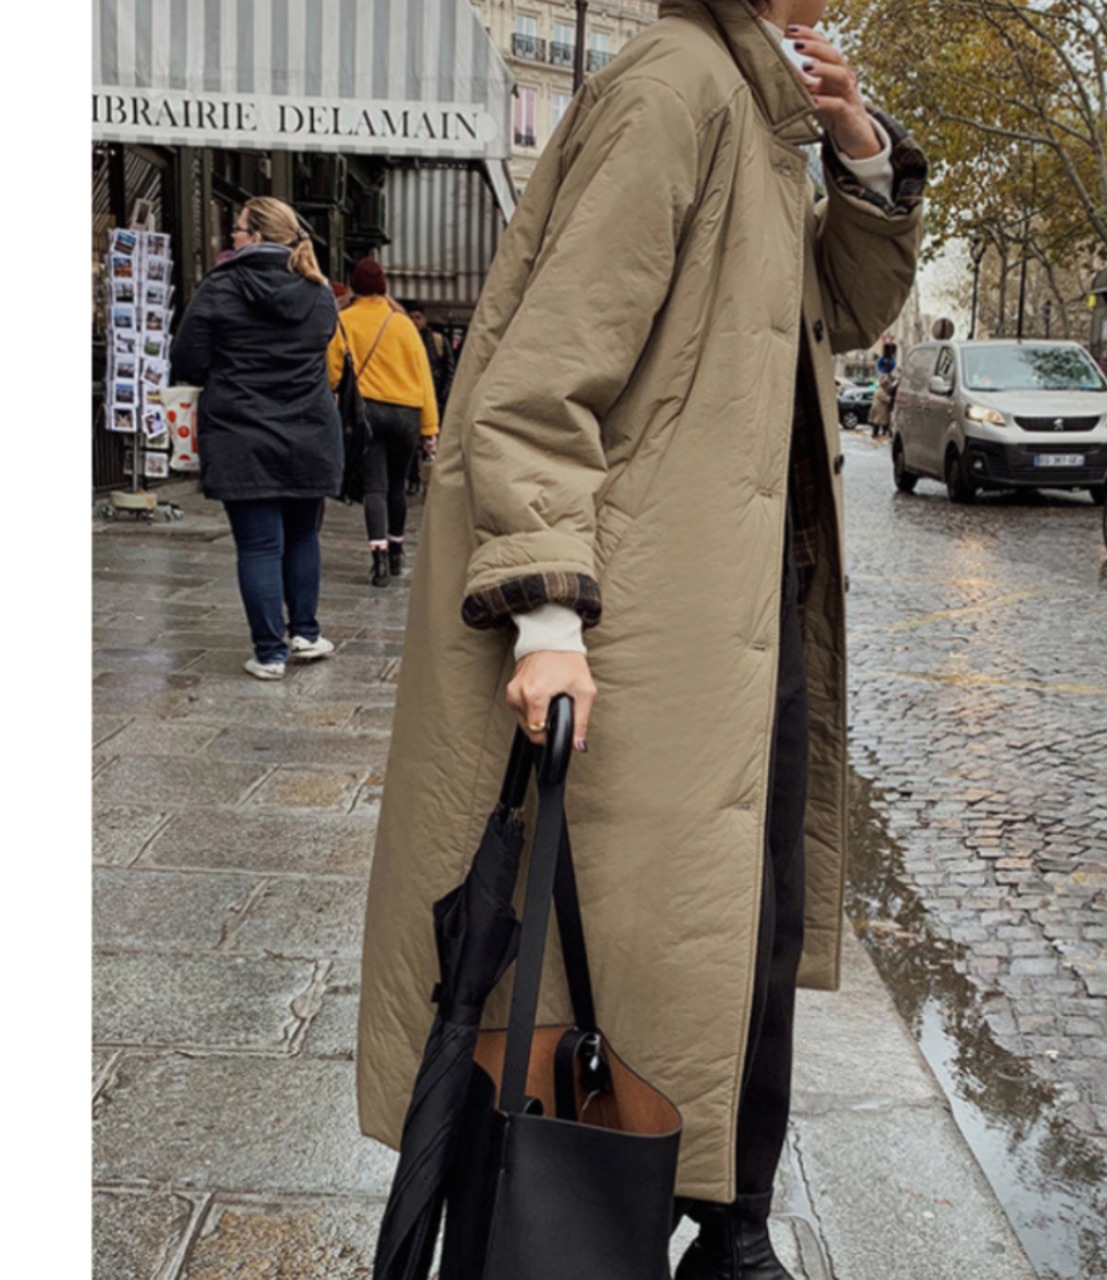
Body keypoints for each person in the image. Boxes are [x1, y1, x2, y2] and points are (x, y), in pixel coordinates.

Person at [357, 2, 924, 1276]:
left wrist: (859, 152)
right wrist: (546, 614)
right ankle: (613, 1223)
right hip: (650, 613)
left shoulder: (759, 113)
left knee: (748, 928)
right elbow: (534, 386)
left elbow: (843, 307)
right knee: (629, 949)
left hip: (745, 604)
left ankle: (729, 1219)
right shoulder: (676, 90)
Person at [171, 196, 341, 680]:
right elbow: (320, 345)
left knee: (259, 545)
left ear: (258, 236)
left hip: (240, 432)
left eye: (238, 229)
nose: (233, 236)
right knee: (303, 535)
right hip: (308, 430)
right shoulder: (318, 291)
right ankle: (305, 633)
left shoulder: (220, 287)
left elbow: (187, 360)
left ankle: (269, 653)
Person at [327, 260, 439, 586]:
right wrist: (430, 429)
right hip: (407, 413)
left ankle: (377, 559)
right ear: (384, 287)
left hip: (369, 412)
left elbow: (332, 373)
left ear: (354, 287)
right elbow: (424, 378)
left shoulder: (344, 321)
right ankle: (397, 550)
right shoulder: (403, 324)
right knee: (397, 484)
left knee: (374, 486)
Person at [868, 369, 898, 438]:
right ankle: (878, 434)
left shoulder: (880, 390)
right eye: (886, 385)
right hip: (880, 410)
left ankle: (881, 434)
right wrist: (894, 398)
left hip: (879, 409)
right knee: (880, 422)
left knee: (881, 422)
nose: (887, 387)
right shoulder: (880, 391)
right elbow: (887, 399)